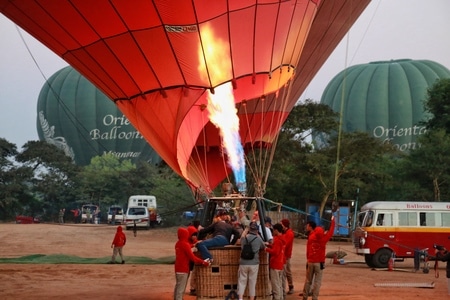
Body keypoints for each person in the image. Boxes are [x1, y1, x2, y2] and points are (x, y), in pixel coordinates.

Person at [301, 216, 335, 300]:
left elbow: (308, 249)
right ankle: (314, 298)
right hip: (319, 263)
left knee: (308, 281)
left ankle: (305, 297)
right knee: (317, 281)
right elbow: (331, 231)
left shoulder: (311, 237)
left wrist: (308, 259)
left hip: (310, 261)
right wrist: (333, 221)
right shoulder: (324, 238)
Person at [174, 227, 210, 300]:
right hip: (184, 269)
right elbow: (193, 258)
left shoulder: (178, 244)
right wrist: (203, 262)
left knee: (178, 285)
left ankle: (176, 298)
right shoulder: (185, 244)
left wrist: (194, 245)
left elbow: (187, 248)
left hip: (178, 268)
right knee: (181, 288)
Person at [237, 222, 266, 300]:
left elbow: (241, 237)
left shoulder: (244, 238)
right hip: (254, 263)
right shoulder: (258, 239)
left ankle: (240, 298)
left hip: (243, 262)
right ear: (257, 230)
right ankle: (251, 299)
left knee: (241, 281)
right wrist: (258, 236)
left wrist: (245, 230)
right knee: (252, 283)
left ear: (249, 229)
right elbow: (263, 247)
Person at [264, 223, 285, 300]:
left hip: (275, 264)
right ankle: (281, 298)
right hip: (280, 264)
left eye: (273, 230)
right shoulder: (281, 239)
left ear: (276, 230)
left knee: (275, 284)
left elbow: (275, 252)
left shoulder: (277, 240)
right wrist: (269, 245)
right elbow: (277, 249)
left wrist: (266, 249)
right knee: (279, 284)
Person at [280, 218, 295, 295]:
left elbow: (285, 244)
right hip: (284, 255)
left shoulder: (289, 233)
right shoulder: (285, 232)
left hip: (286, 255)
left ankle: (291, 286)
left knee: (287, 272)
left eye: (281, 224)